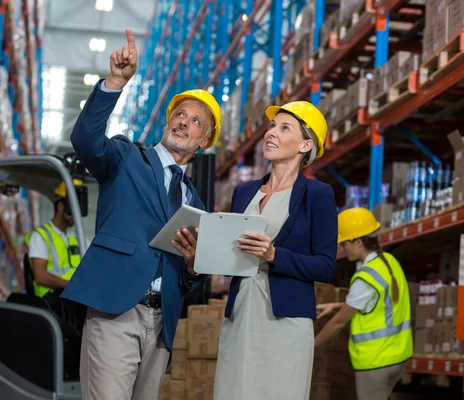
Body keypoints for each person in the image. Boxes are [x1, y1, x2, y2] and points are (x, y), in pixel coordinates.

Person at [61, 28, 222, 400]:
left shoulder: (195, 203)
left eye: (196, 121)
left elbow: (190, 276)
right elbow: (85, 140)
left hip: (161, 320)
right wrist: (115, 83)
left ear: (202, 142)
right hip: (116, 309)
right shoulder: (126, 157)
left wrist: (196, 267)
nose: (184, 122)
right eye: (179, 115)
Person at [213, 101, 338, 400]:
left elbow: (325, 266)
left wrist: (274, 256)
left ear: (305, 144)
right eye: (272, 126)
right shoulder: (244, 192)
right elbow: (233, 256)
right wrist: (209, 249)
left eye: (285, 128)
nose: (272, 133)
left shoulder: (318, 195)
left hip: (285, 320)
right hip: (241, 313)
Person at [314, 207, 413, 400]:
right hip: (398, 357)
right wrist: (334, 306)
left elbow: (338, 323)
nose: (343, 249)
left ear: (359, 242)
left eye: (344, 244)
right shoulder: (389, 262)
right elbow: (376, 301)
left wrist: (311, 346)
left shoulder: (365, 277)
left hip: (376, 361)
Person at [24, 182, 81, 315]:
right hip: (51, 300)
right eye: (73, 210)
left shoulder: (77, 239)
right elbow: (40, 277)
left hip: (72, 297)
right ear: (61, 206)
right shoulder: (41, 236)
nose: (76, 216)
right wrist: (70, 285)